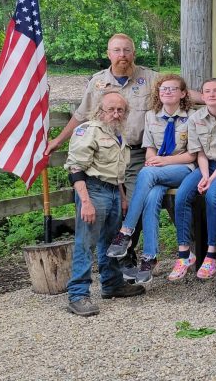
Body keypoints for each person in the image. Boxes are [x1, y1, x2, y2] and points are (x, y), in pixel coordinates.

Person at [46, 34, 158, 277]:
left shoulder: (149, 78)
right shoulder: (98, 83)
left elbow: (177, 89)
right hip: (104, 155)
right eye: (117, 50)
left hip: (137, 153)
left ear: (134, 53)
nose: (122, 55)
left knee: (132, 203)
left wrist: (211, 96)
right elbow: (81, 115)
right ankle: (116, 266)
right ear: (109, 54)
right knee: (109, 210)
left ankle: (124, 256)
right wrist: (57, 140)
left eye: (127, 50)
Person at [104, 74, 197, 284]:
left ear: (182, 94)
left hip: (184, 168)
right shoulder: (151, 116)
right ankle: (149, 257)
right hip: (159, 171)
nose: (167, 92)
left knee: (146, 173)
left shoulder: (193, 117)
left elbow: (193, 154)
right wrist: (154, 161)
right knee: (152, 196)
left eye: (173, 89)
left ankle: (126, 231)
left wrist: (161, 163)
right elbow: (150, 149)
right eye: (163, 89)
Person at [64, 92, 145, 316]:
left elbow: (118, 172)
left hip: (113, 191)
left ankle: (112, 284)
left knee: (111, 242)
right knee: (85, 243)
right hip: (93, 190)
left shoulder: (119, 134)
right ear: (100, 110)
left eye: (121, 110)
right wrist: (86, 202)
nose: (116, 114)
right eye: (111, 109)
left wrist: (122, 197)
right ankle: (78, 294)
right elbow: (75, 168)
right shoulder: (88, 130)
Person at [168, 78, 216, 281]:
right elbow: (199, 152)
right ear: (202, 96)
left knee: (212, 194)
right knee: (183, 194)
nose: (211, 94)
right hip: (205, 166)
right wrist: (204, 175)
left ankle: (212, 252)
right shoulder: (196, 118)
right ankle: (184, 253)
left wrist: (211, 179)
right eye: (207, 91)